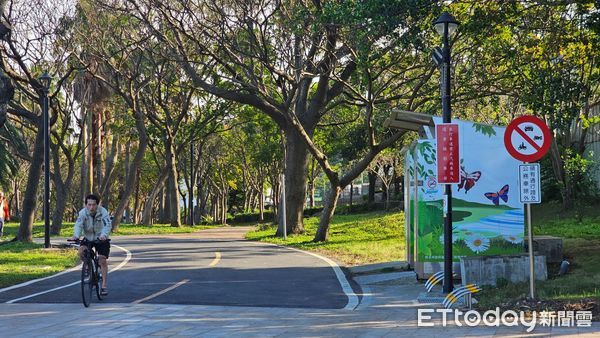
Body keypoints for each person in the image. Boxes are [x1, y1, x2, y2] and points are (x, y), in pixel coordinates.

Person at [71, 194, 112, 296]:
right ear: (85, 205)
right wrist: (76, 235)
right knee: (81, 252)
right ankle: (88, 267)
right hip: (88, 238)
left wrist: (103, 235)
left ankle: (104, 286)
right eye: (89, 205)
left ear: (97, 205)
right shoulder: (82, 213)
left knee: (102, 259)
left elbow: (107, 225)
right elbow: (78, 225)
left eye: (93, 205)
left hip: (101, 238)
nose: (91, 207)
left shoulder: (103, 212)